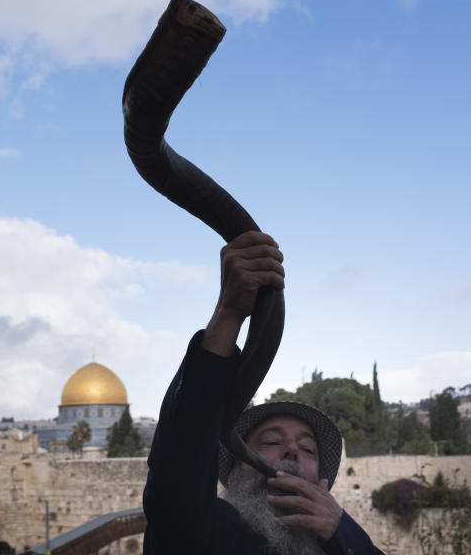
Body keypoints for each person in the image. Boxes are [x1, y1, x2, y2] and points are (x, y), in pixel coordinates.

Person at [143, 231, 383, 554]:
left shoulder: (339, 547)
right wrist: (228, 315)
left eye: (309, 450)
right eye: (270, 442)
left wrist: (342, 529)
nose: (292, 452)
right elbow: (181, 467)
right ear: (236, 469)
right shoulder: (204, 533)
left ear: (321, 484)